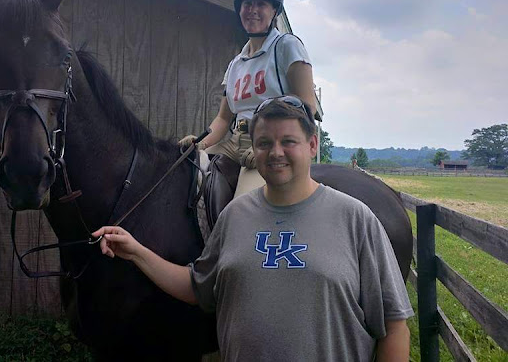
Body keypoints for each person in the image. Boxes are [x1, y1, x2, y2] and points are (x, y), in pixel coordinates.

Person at [93, 96, 413, 361]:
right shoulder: (234, 216)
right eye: (264, 143)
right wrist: (136, 252)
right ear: (254, 149)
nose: (275, 152)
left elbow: (395, 325)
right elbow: (197, 287)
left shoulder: (356, 219)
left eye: (288, 141)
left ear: (312, 144)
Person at [179, 0, 317, 198]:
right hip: (234, 142)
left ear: (274, 11)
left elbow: (306, 106)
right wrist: (200, 143)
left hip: (272, 141)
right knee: (185, 175)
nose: (252, 10)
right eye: (247, 4)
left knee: (246, 207)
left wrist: (270, 144)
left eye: (261, 4)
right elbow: (224, 119)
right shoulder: (235, 64)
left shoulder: (287, 46)